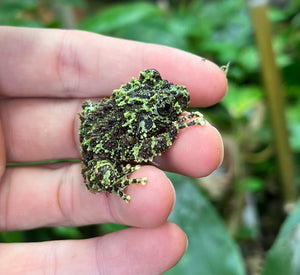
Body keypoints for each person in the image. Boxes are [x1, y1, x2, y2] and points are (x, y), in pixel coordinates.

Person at [0, 27, 227, 274]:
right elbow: (144, 149)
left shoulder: (140, 117)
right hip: (102, 153)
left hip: (101, 122)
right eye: (163, 109)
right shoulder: (138, 130)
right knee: (106, 175)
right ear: (147, 120)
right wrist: (173, 128)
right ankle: (116, 180)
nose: (179, 93)